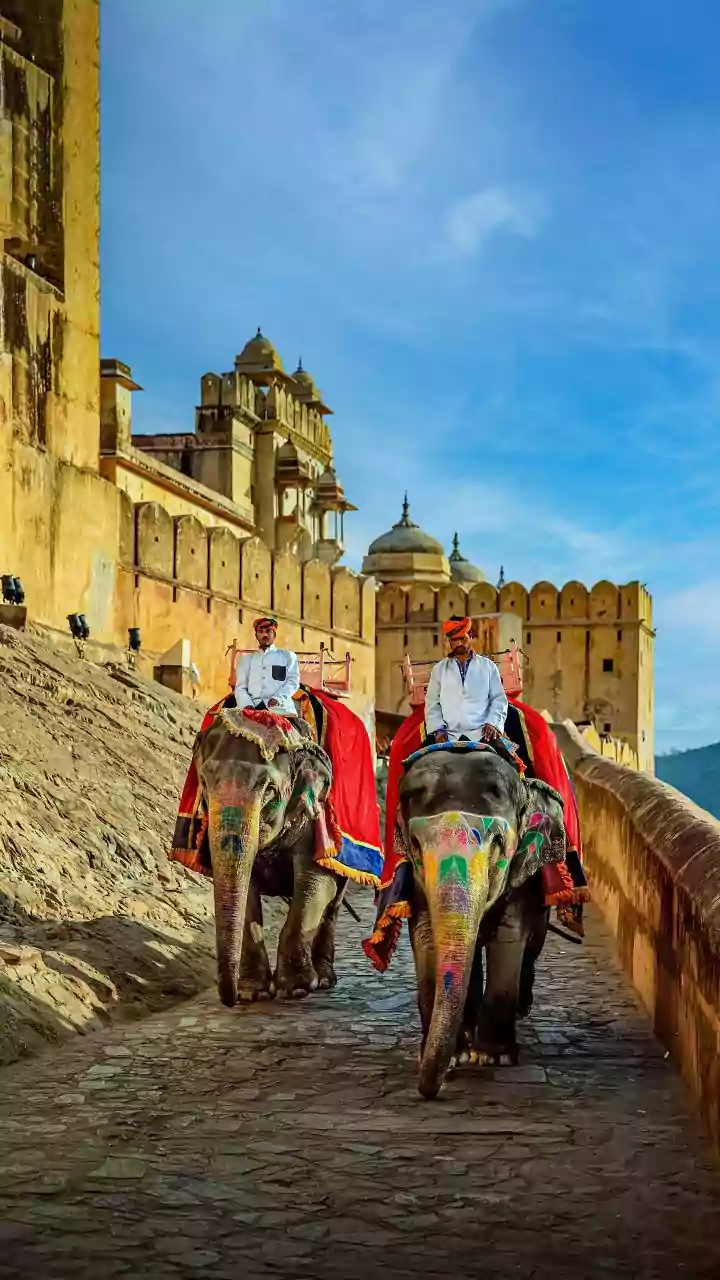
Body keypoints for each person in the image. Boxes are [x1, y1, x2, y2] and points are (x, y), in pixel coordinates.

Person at [424, 615, 508, 744]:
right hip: (447, 735)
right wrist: (438, 730)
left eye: (462, 638)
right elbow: (432, 704)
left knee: (509, 761)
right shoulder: (439, 670)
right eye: (454, 640)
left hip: (481, 733)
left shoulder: (488, 667)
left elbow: (498, 699)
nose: (458, 643)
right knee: (416, 761)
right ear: (449, 641)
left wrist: (492, 723)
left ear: (471, 635)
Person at [234, 616, 300, 717]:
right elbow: (240, 687)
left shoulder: (288, 656)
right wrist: (247, 705)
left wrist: (278, 698)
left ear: (274, 635)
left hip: (280, 708)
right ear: (256, 635)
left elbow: (293, 682)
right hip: (252, 708)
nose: (264, 634)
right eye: (260, 631)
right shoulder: (246, 660)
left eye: (268, 631)